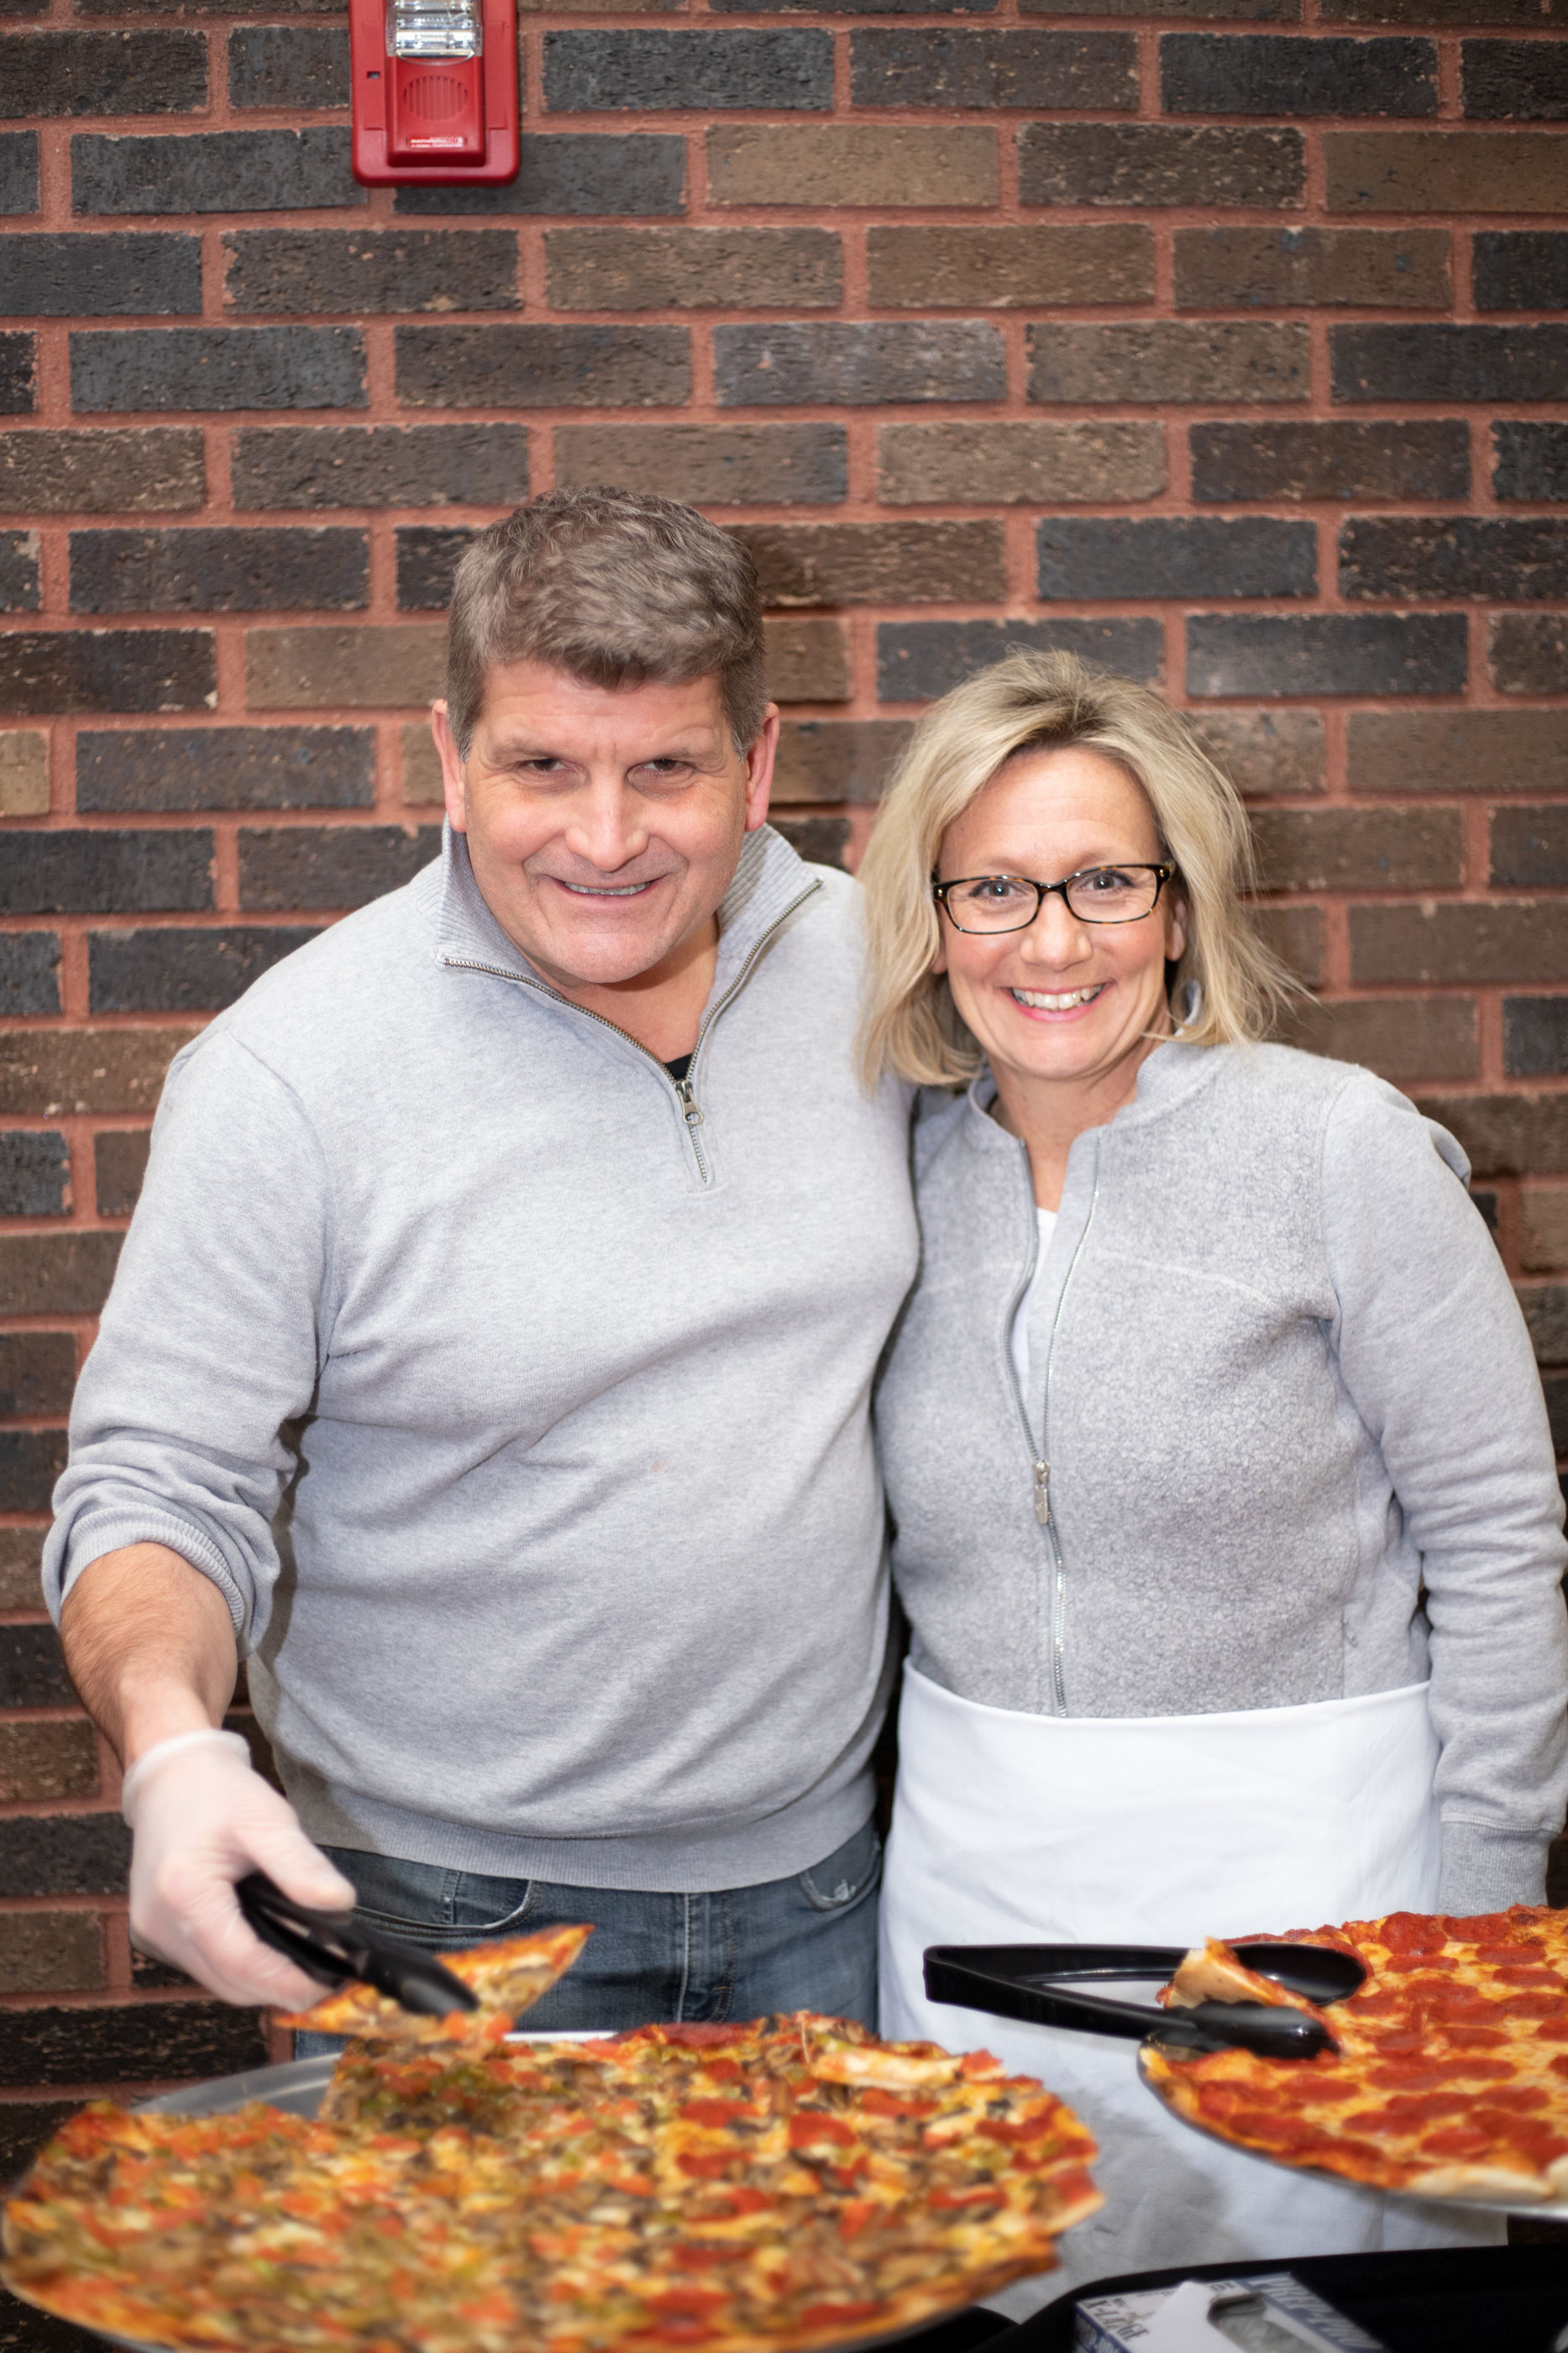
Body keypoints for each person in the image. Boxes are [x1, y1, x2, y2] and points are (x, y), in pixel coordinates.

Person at [45, 487, 919, 2032]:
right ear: (450, 760)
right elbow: (158, 1485)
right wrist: (172, 1745)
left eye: (666, 768)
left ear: (759, 762)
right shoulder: (286, 1073)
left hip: (828, 1888)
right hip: (442, 1916)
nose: (606, 837)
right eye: (543, 767)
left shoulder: (885, 971)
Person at [857, 649, 1568, 2296]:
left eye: (1105, 882)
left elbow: (1495, 1543)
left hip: (1316, 1887)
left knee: (1295, 2315)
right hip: (977, 1887)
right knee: (1015, 2299)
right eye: (993, 888)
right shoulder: (888, 1171)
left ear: (1177, 909)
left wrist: (1477, 1930)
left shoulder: (1337, 1148)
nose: (1051, 941)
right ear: (932, 918)